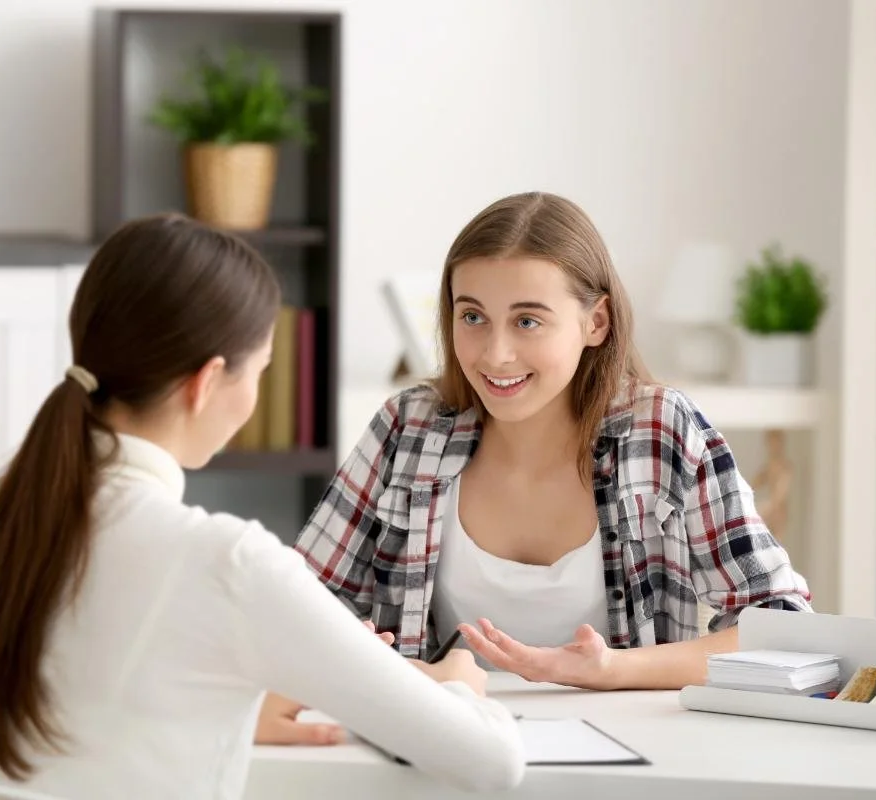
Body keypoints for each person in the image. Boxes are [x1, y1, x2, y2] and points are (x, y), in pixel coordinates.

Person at [0, 213, 525, 800]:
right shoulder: (230, 562)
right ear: (205, 384)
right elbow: (492, 762)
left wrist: (235, 702)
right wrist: (461, 687)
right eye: (259, 371)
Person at [291, 191, 812, 697]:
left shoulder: (661, 431)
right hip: (446, 748)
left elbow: (781, 628)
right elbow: (294, 609)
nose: (496, 354)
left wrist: (613, 670)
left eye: (527, 321)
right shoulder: (408, 428)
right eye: (472, 316)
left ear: (596, 322)